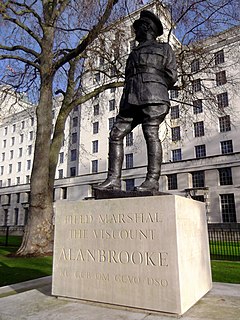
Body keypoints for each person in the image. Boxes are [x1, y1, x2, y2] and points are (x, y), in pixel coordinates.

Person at [95, 10, 177, 191]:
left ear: (146, 28)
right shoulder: (132, 53)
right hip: (130, 99)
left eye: (137, 28)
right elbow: (128, 77)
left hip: (154, 96)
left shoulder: (164, 49)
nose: (135, 32)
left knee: (151, 133)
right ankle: (113, 179)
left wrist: (153, 82)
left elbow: (172, 76)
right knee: (116, 135)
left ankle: (152, 179)